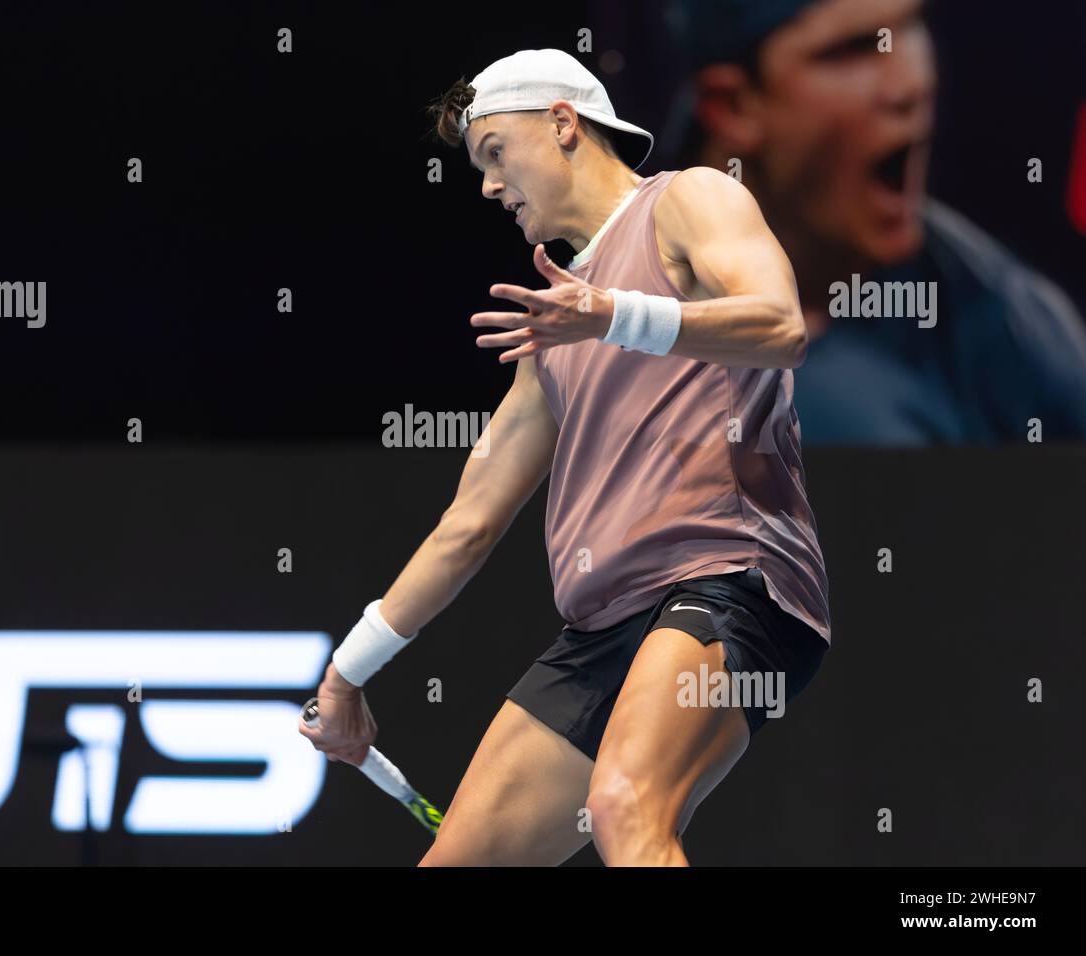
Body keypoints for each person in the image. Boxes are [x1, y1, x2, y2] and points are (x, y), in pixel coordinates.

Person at [299, 48, 831, 866]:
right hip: (603, 628)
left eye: (494, 154)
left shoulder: (689, 200)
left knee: (624, 806)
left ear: (561, 124)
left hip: (729, 581)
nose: (485, 186)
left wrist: (614, 314)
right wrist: (347, 675)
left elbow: (781, 329)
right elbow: (467, 526)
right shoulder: (554, 332)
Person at [667, 0, 1086, 444]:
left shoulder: (1000, 302)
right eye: (854, 49)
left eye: (911, 26)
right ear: (734, 106)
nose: (911, 82)